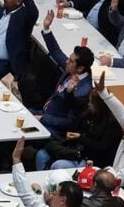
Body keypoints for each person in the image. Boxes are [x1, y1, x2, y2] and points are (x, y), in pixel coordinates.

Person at [35, 9, 94, 137]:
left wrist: (43, 119)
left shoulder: (82, 91)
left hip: (53, 128)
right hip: (43, 114)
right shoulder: (71, 69)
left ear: (80, 68)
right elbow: (56, 52)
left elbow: (69, 122)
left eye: (71, 61)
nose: (66, 61)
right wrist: (46, 28)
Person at [34, 89, 123, 170]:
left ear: (100, 105)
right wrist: (69, 93)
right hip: (73, 147)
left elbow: (101, 147)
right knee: (41, 155)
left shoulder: (112, 125)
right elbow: (74, 105)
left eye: (92, 103)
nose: (88, 104)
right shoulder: (88, 114)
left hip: (88, 158)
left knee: (58, 165)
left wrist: (80, 138)